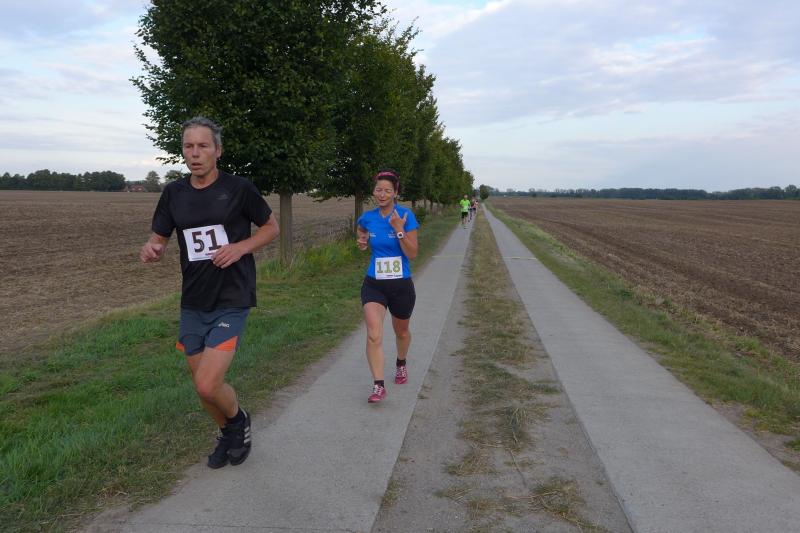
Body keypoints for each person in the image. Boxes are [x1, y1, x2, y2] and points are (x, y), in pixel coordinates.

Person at [139, 116, 279, 469]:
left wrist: (241, 247)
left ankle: (238, 420)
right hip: (193, 301)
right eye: (188, 146)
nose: (195, 153)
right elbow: (159, 238)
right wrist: (153, 248)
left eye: (203, 146)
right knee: (201, 385)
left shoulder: (239, 188)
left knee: (206, 384)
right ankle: (228, 433)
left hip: (232, 297)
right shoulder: (174, 193)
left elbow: (270, 227)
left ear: (218, 150)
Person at [356, 169, 419, 403]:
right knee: (374, 334)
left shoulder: (405, 216)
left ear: (395, 193)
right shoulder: (368, 217)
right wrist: (362, 240)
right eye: (378, 190)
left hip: (401, 284)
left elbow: (412, 254)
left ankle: (401, 362)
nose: (382, 194)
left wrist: (399, 229)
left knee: (401, 331)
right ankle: (378, 385)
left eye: (387, 191)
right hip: (374, 284)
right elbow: (361, 229)